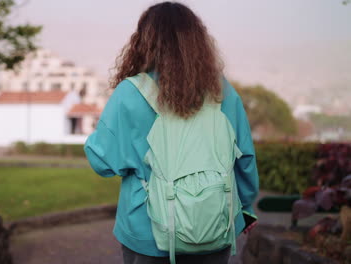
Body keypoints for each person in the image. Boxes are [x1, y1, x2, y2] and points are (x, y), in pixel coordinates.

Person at [84, 2, 259, 264]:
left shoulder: (130, 93)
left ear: (144, 42)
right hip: (216, 222)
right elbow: (244, 156)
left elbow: (103, 161)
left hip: (147, 231)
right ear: (197, 40)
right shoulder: (221, 91)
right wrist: (245, 209)